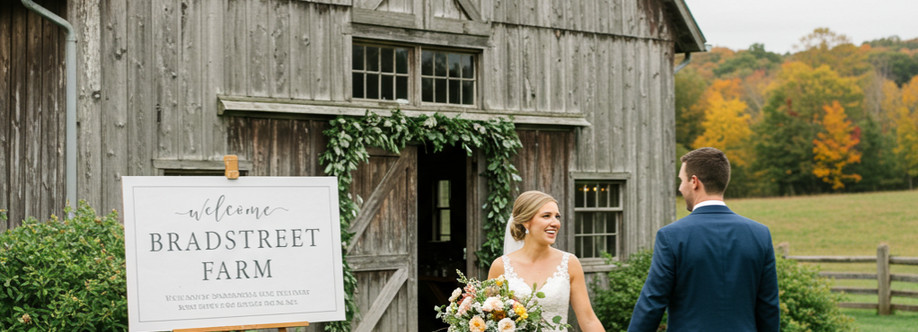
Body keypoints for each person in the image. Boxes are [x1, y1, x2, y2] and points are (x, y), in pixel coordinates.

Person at [628, 147, 780, 331]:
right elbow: (769, 306)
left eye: (681, 180)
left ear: (694, 182)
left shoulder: (672, 236)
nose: (680, 188)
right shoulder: (760, 234)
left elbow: (652, 302)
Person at [489, 190, 605, 332]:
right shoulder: (500, 266)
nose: (555, 223)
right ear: (526, 221)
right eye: (546, 216)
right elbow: (490, 320)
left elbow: (588, 320)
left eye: (557, 217)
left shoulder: (570, 263)